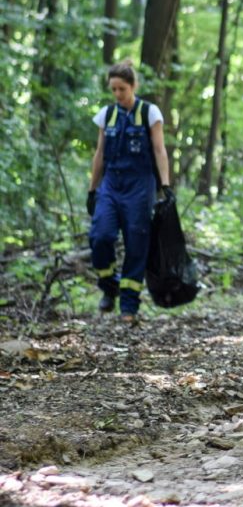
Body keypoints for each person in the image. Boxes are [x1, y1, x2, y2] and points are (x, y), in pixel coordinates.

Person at [87, 61, 172, 323]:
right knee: (100, 236)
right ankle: (108, 286)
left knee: (137, 243)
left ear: (133, 86)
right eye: (113, 89)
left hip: (140, 186)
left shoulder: (150, 113)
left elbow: (159, 151)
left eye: (121, 89)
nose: (117, 94)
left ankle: (129, 306)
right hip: (111, 185)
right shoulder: (107, 115)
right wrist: (92, 190)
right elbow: (100, 153)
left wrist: (166, 185)